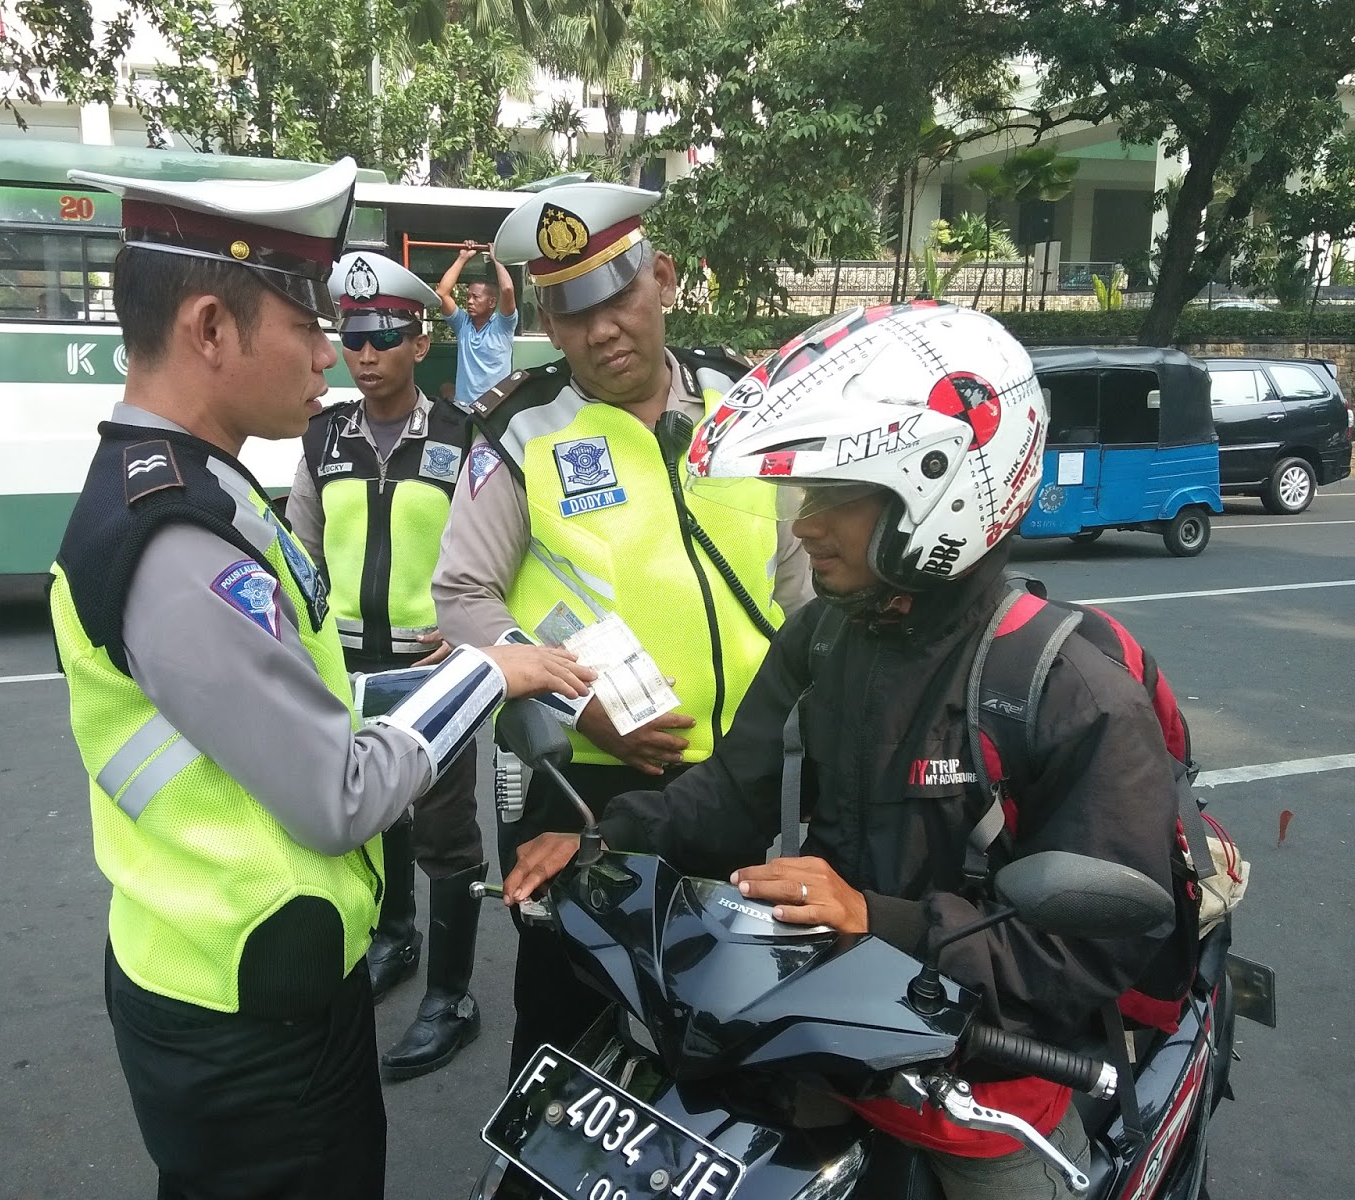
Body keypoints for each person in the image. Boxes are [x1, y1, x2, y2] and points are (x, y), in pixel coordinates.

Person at [503, 303, 1185, 1200]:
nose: (803, 527)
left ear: (938, 489)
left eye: (834, 498)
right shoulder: (825, 639)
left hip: (978, 1081)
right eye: (804, 497)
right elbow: (730, 793)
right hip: (822, 1038)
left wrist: (881, 919)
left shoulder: (1068, 690)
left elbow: (1092, 951)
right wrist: (600, 841)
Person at [48, 159, 592, 1200]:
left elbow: (315, 709)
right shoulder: (174, 536)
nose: (329, 355)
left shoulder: (204, 484)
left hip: (252, 977)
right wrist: (482, 673)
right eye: (306, 329)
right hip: (246, 1017)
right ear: (210, 329)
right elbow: (339, 790)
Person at [432, 180, 814, 1080]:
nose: (602, 330)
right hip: (583, 785)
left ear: (664, 281)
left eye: (617, 296)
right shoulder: (518, 429)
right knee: (572, 1021)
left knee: (724, 1011)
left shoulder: (742, 400)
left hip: (739, 777)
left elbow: (796, 576)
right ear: (549, 326)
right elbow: (461, 600)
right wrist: (579, 705)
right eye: (572, 312)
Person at [283, 249, 486, 1082]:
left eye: (383, 337)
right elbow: (298, 547)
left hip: (434, 671)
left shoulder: (464, 436)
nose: (365, 355)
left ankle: (452, 996)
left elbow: (494, 556)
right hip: (348, 667)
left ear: (419, 339)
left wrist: (473, 636)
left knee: (445, 832)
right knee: (377, 815)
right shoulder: (323, 434)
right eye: (353, 338)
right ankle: (394, 938)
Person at [434, 240, 518, 408]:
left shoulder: (503, 326)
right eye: (468, 297)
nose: (470, 301)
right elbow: (442, 293)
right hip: (464, 408)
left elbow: (507, 289)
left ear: (492, 302)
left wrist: (497, 260)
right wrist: (462, 258)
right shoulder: (462, 324)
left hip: (495, 409)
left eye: (476, 297)